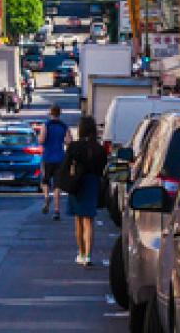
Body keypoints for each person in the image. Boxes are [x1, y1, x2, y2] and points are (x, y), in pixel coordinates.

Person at [60, 114, 108, 266]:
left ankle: (80, 253)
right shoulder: (99, 148)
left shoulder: (74, 147)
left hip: (77, 183)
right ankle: (88, 255)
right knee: (89, 220)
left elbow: (65, 165)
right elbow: (103, 169)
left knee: (78, 220)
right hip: (92, 182)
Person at [40, 104, 71, 220]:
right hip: (60, 158)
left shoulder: (46, 125)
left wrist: (43, 141)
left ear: (50, 113)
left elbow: (42, 139)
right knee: (57, 185)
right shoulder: (64, 126)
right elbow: (69, 141)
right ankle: (57, 210)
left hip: (47, 157)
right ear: (59, 113)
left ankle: (47, 196)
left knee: (45, 181)